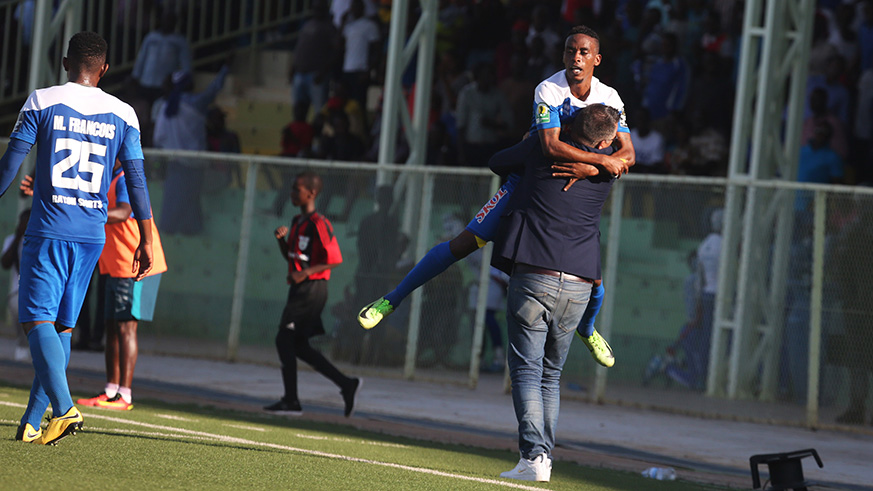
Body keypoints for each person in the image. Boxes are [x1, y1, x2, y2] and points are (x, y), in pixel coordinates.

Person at [357, 26, 633, 367]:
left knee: (593, 275)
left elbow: (629, 154)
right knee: (464, 244)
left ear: (596, 59)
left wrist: (589, 170)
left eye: (584, 52)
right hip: (530, 180)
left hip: (576, 189)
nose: (576, 57)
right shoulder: (549, 88)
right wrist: (601, 162)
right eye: (570, 50)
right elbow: (550, 146)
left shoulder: (610, 98)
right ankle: (391, 299)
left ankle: (588, 330)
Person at [0, 31, 154, 445]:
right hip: (92, 235)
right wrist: (145, 238)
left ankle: (65, 408)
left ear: (66, 63)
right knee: (62, 327)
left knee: (36, 320)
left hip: (50, 229)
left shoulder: (42, 100)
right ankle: (32, 422)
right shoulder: (124, 113)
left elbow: (11, 164)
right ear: (104, 69)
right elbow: (137, 180)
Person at [489, 104, 620, 482]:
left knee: (527, 372)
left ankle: (534, 457)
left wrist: (533, 138)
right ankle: (542, 459)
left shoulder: (542, 148)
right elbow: (617, 154)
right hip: (580, 282)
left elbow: (497, 162)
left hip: (534, 272)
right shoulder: (609, 168)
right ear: (606, 141)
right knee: (550, 375)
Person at [264, 171, 361, 417]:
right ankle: (346, 384)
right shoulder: (297, 221)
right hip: (299, 289)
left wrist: (305, 274)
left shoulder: (320, 223)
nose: (292, 193)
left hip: (312, 290)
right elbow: (293, 257)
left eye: (297, 189)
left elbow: (335, 259)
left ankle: (291, 400)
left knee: (284, 339)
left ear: (312, 193)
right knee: (298, 346)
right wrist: (282, 242)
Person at [72, 160, 167, 411]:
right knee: (112, 327)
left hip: (135, 266)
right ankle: (111, 390)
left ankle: (125, 394)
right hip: (116, 265)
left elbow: (124, 212)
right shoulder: (108, 178)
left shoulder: (125, 178)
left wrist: (90, 213)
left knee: (126, 328)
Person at [152, 66, 228, 235]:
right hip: (192, 166)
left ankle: (186, 232)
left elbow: (159, 138)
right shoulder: (196, 103)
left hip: (174, 163)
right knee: (180, 207)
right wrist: (225, 69)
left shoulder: (164, 106)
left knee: (184, 204)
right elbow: (214, 89)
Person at [130, 11, 192, 106]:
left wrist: (178, 80)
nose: (168, 23)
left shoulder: (180, 41)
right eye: (166, 20)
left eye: (171, 21)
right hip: (145, 81)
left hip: (164, 85)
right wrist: (135, 76)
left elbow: (186, 65)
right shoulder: (151, 37)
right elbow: (141, 58)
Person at [1, 208, 32, 362]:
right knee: (17, 306)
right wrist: (18, 238)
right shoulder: (12, 240)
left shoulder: (39, 240)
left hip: (36, 291)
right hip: (17, 291)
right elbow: (5, 263)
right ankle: (22, 346)